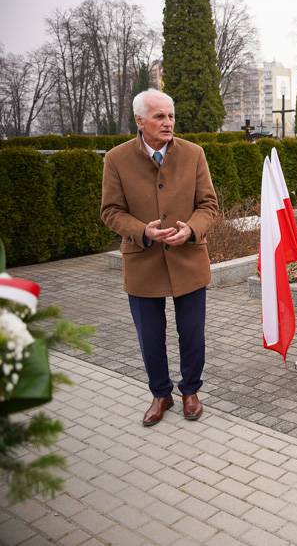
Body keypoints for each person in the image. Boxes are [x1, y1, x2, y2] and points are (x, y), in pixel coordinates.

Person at [101, 89, 219, 426]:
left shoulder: (194, 154)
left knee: (192, 332)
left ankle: (191, 391)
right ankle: (161, 393)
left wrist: (192, 229)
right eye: (159, 116)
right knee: (150, 336)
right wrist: (142, 230)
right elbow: (110, 211)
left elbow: (208, 205)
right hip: (143, 260)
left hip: (189, 259)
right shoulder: (116, 159)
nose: (168, 123)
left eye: (170, 116)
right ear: (140, 120)